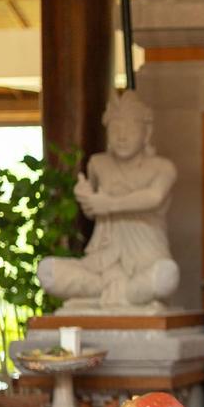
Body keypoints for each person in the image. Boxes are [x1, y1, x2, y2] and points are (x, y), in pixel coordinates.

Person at [37, 91, 180, 310]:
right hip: (102, 261)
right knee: (48, 272)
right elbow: (92, 211)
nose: (122, 136)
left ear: (147, 133)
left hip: (146, 258)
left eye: (130, 129)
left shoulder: (162, 167)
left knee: (166, 276)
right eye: (115, 129)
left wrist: (109, 204)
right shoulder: (98, 164)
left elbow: (154, 197)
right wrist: (86, 198)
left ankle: (114, 291)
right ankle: (121, 292)